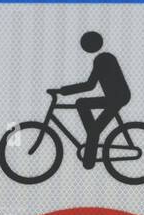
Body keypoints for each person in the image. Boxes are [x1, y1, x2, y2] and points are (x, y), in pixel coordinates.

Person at [52, 31, 131, 166]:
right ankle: (92, 136)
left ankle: (90, 154)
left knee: (92, 126)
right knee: (82, 104)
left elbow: (89, 86)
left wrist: (63, 91)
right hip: (115, 97)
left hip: (117, 98)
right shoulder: (103, 58)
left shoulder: (103, 59)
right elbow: (91, 85)